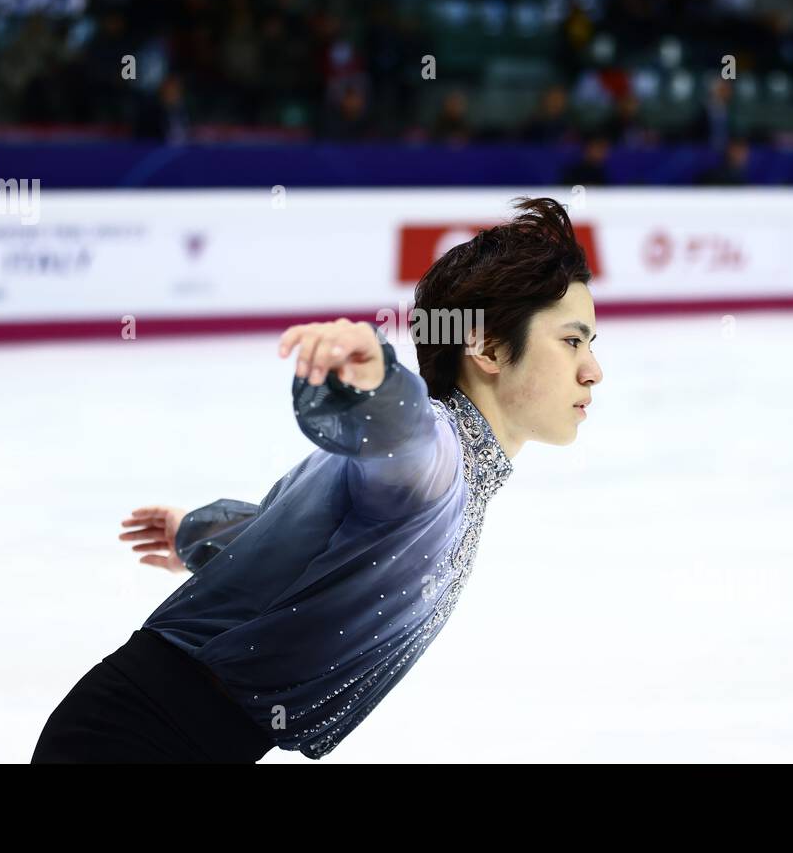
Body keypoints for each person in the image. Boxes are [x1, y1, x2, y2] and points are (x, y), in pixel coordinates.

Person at [31, 196, 603, 762]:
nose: (592, 370)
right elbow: (400, 428)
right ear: (487, 346)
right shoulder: (436, 456)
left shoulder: (450, 475)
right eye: (572, 341)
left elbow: (322, 545)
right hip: (130, 739)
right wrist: (374, 378)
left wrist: (199, 535)